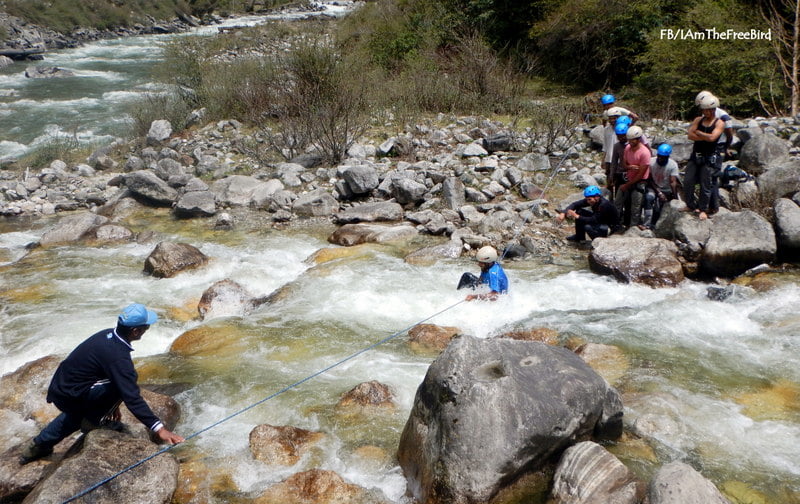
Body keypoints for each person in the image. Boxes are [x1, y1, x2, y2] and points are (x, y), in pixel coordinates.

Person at [19, 303, 184, 465]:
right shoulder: (118, 356)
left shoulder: (107, 335)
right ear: (136, 331)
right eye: (146, 327)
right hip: (71, 395)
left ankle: (37, 446)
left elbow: (106, 371)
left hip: (62, 389)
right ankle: (91, 421)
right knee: (127, 380)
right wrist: (160, 430)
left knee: (76, 415)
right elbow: (132, 397)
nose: (147, 329)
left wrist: (113, 406)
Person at [684, 94, 725, 220]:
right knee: (688, 180)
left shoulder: (719, 123)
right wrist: (705, 136)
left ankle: (703, 209)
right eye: (704, 110)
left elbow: (713, 138)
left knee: (706, 184)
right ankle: (690, 204)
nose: (706, 112)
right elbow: (690, 135)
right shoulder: (698, 120)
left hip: (709, 157)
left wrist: (700, 133)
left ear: (713, 110)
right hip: (696, 155)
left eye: (708, 110)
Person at [615, 125, 651, 227]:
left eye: (632, 140)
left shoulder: (645, 153)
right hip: (628, 178)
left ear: (639, 139)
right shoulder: (628, 148)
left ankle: (633, 226)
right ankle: (615, 223)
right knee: (618, 202)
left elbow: (641, 174)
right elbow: (623, 164)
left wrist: (627, 185)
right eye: (629, 140)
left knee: (636, 206)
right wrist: (630, 167)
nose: (630, 142)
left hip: (639, 182)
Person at [642, 143, 680, 229]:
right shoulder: (651, 162)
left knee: (660, 205)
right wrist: (659, 192)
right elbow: (649, 179)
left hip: (666, 189)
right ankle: (646, 223)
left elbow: (673, 182)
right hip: (653, 187)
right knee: (649, 198)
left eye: (663, 157)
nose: (660, 159)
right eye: (659, 156)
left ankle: (655, 224)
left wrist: (674, 197)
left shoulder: (673, 165)